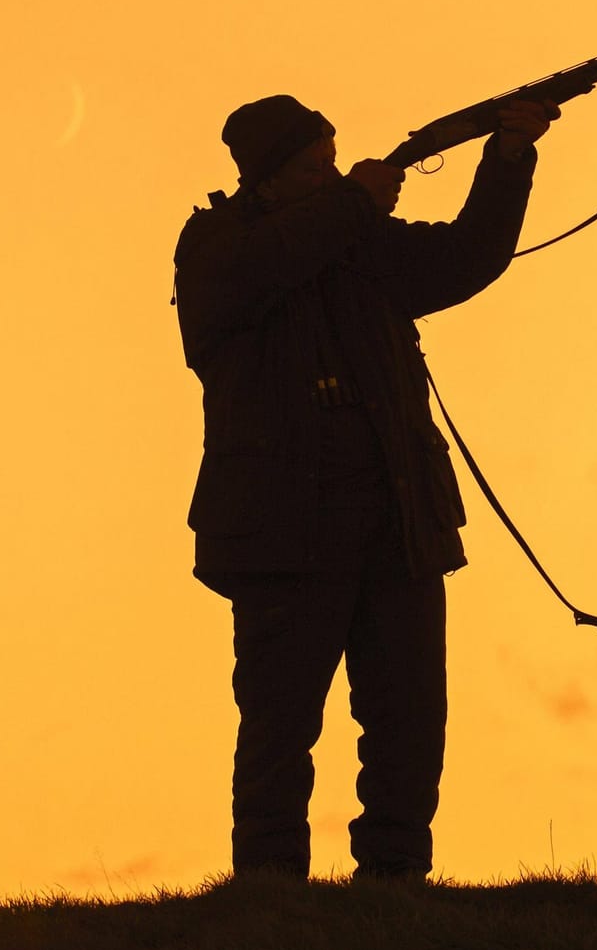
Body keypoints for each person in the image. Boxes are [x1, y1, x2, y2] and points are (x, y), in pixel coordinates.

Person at [171, 93, 556, 881]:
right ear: (264, 177)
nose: (335, 174)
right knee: (281, 722)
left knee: (409, 716)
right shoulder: (215, 244)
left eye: (334, 160)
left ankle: (395, 878)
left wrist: (508, 159)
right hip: (282, 524)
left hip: (396, 511)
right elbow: (262, 268)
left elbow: (463, 259)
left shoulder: (354, 240)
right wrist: (353, 202)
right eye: (315, 165)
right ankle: (271, 886)